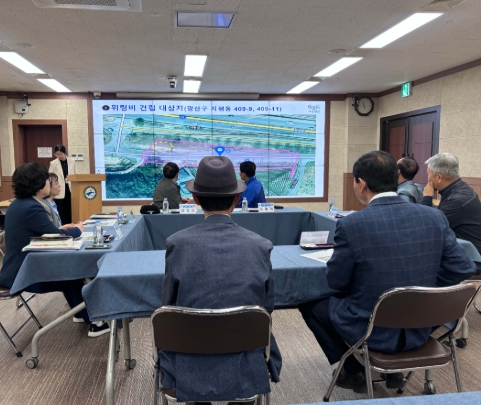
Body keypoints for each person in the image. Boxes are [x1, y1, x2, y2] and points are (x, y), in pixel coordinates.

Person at [299, 151, 476, 393]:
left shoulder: (352, 225)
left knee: (310, 302)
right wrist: (425, 289)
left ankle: (354, 368)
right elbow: (463, 268)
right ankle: (383, 370)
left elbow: (336, 282)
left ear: (361, 183)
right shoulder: (434, 217)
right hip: (421, 326)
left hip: (371, 330)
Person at [160, 156, 282, 404]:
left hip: (188, 359)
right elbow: (266, 307)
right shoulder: (261, 245)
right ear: (237, 199)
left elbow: (168, 304)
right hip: (246, 360)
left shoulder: (177, 243)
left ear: (195, 199)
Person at [0, 163, 109, 338]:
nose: (49, 183)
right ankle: (95, 321)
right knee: (73, 274)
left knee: (72, 275)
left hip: (19, 267)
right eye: (47, 180)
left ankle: (83, 314)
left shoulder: (20, 204)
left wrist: (60, 229)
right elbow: (58, 237)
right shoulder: (32, 207)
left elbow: (43, 232)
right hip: (24, 273)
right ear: (39, 184)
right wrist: (78, 229)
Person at [421, 152, 481, 273]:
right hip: (466, 251)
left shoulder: (457, 200)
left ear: (439, 177)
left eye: (428, 174)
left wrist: (427, 197)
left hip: (471, 260)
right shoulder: (462, 188)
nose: (428, 179)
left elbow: (427, 228)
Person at [49, 144, 75, 225]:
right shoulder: (53, 163)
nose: (58, 156)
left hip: (70, 188)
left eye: (60, 154)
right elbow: (50, 176)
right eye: (56, 154)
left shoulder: (72, 161)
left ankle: (71, 225)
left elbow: (76, 174)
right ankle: (63, 226)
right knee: (61, 210)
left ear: (65, 153)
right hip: (59, 189)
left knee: (70, 209)